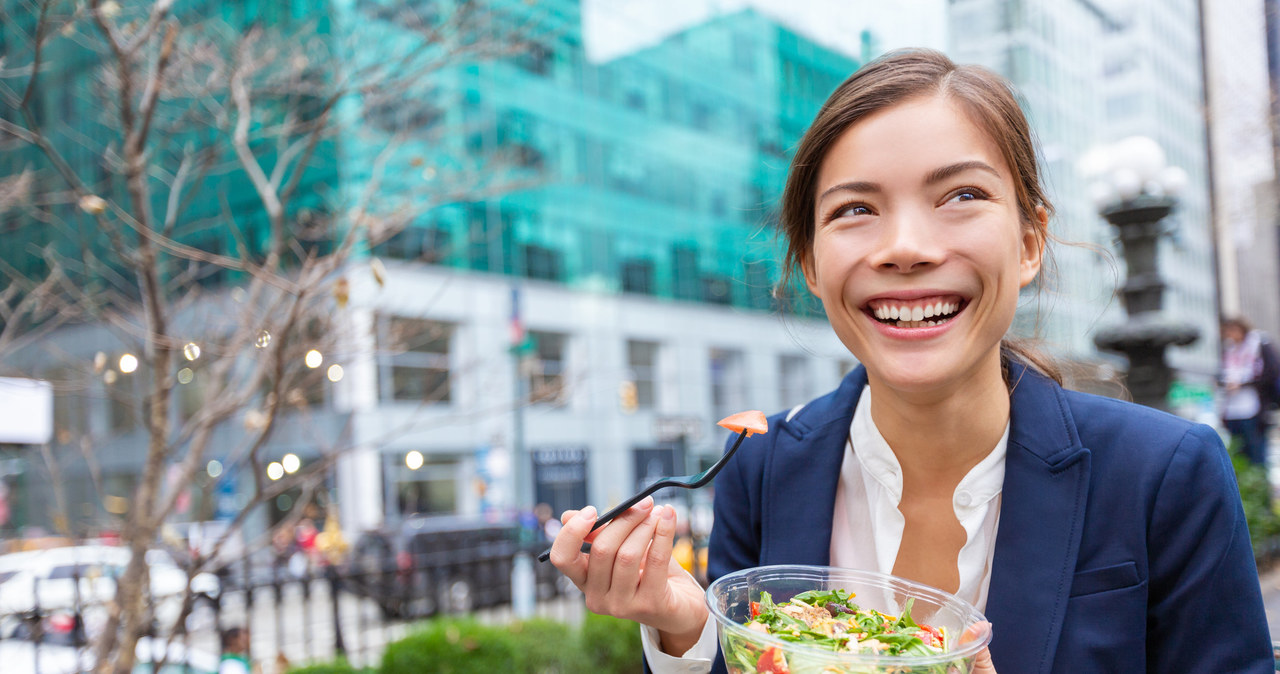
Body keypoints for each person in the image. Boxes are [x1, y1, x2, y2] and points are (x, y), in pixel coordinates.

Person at [547, 48, 1273, 673]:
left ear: (1028, 242)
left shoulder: (1165, 475)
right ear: (809, 260)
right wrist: (684, 626)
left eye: (961, 195)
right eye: (855, 210)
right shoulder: (761, 466)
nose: (906, 247)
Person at [1220, 316, 1277, 466]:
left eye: (1232, 330)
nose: (1229, 335)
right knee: (1239, 451)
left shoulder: (1259, 344)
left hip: (1254, 407)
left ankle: (1258, 486)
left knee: (1256, 451)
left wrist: (1243, 384)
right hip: (1233, 409)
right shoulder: (1229, 349)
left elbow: (1271, 372)